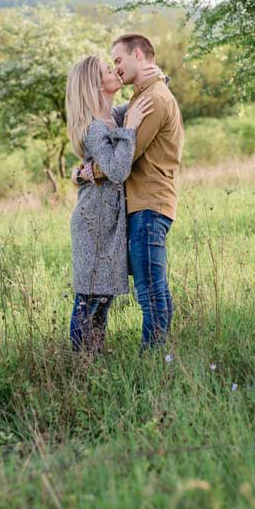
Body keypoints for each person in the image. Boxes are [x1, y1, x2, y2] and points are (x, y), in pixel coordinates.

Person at [78, 33, 184, 349]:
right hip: (143, 205)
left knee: (150, 291)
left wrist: (88, 173)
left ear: (137, 54)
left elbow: (127, 155)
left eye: (118, 61)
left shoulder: (153, 99)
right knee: (154, 289)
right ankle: (160, 354)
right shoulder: (144, 94)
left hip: (149, 205)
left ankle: (154, 358)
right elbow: (117, 127)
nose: (116, 69)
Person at [64, 55, 153, 352]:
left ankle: (95, 359)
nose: (114, 70)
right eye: (106, 70)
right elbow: (116, 170)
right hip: (93, 224)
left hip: (107, 221)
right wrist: (130, 128)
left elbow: (141, 103)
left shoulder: (110, 117)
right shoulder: (95, 128)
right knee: (89, 300)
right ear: (96, 84)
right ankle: (81, 363)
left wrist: (155, 78)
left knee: (103, 300)